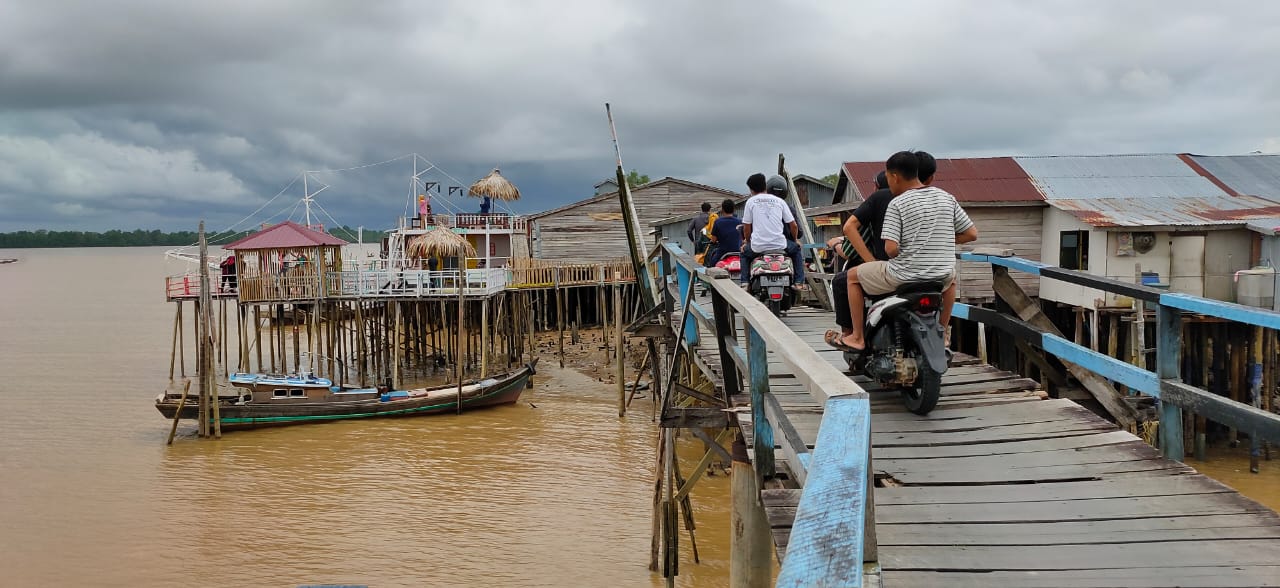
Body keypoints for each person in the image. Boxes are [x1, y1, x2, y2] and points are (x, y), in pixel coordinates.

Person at [838, 151, 977, 352]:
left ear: (895, 176)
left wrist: (908, 247)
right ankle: (942, 330)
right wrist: (940, 240)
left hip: (904, 275)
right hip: (941, 275)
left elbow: (891, 249)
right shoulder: (946, 197)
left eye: (887, 177)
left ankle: (857, 337)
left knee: (851, 277)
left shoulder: (898, 203)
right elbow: (971, 233)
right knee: (952, 278)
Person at [741, 173, 803, 285]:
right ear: (765, 186)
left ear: (751, 190)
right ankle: (799, 282)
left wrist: (748, 241)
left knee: (744, 253)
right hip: (780, 245)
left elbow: (746, 228)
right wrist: (794, 241)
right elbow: (794, 226)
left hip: (758, 247)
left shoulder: (750, 202)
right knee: (796, 250)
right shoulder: (780, 202)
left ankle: (745, 282)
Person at [707, 199, 742, 265]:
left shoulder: (718, 222)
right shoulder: (740, 221)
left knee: (712, 263)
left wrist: (713, 241)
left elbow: (713, 239)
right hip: (738, 251)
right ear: (733, 209)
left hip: (723, 252)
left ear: (722, 209)